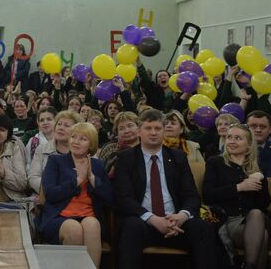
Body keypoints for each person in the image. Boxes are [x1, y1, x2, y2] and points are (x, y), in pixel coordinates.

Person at [114, 109, 216, 269]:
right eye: (148, 128)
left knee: (203, 228)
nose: (153, 133)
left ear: (163, 131)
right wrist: (153, 219)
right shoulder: (126, 158)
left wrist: (182, 216)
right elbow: (124, 199)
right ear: (139, 131)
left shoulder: (178, 157)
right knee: (132, 226)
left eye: (158, 128)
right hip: (144, 223)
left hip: (175, 223)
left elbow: (192, 196)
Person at [38, 122, 113, 268]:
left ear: (91, 144)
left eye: (83, 139)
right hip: (58, 217)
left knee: (92, 224)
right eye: (73, 137)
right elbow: (51, 194)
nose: (76, 141)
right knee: (74, 229)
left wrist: (92, 178)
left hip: (89, 215)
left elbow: (110, 198)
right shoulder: (56, 161)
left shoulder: (98, 165)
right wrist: (77, 181)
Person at [203, 123, 270, 269]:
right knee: (263, 237)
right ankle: (249, 265)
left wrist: (261, 181)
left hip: (252, 220)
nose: (231, 141)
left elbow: (263, 204)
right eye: (229, 137)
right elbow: (208, 195)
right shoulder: (215, 162)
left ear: (249, 144)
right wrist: (239, 187)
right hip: (228, 220)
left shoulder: (256, 167)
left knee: (257, 214)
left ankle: (248, 265)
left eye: (238, 138)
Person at [28, 110, 81, 194]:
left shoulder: (84, 151)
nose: (60, 128)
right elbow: (33, 178)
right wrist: (53, 190)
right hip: (47, 197)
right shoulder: (41, 149)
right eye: (59, 124)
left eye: (66, 125)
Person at [97, 111, 140, 177]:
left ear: (138, 127)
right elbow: (101, 176)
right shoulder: (110, 148)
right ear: (117, 133)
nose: (127, 131)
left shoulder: (148, 147)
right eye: (121, 128)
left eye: (130, 126)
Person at [246, 111, 271, 176]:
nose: (258, 130)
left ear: (270, 129)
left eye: (262, 127)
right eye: (253, 126)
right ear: (246, 128)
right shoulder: (234, 149)